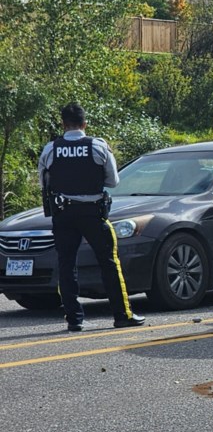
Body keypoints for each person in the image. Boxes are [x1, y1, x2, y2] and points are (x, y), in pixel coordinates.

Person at [38, 103, 145, 331]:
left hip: (63, 214)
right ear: (85, 124)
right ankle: (121, 315)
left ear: (63, 124)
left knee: (66, 264)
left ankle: (74, 320)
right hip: (93, 213)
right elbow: (113, 181)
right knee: (108, 262)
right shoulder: (97, 146)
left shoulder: (51, 149)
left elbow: (44, 182)